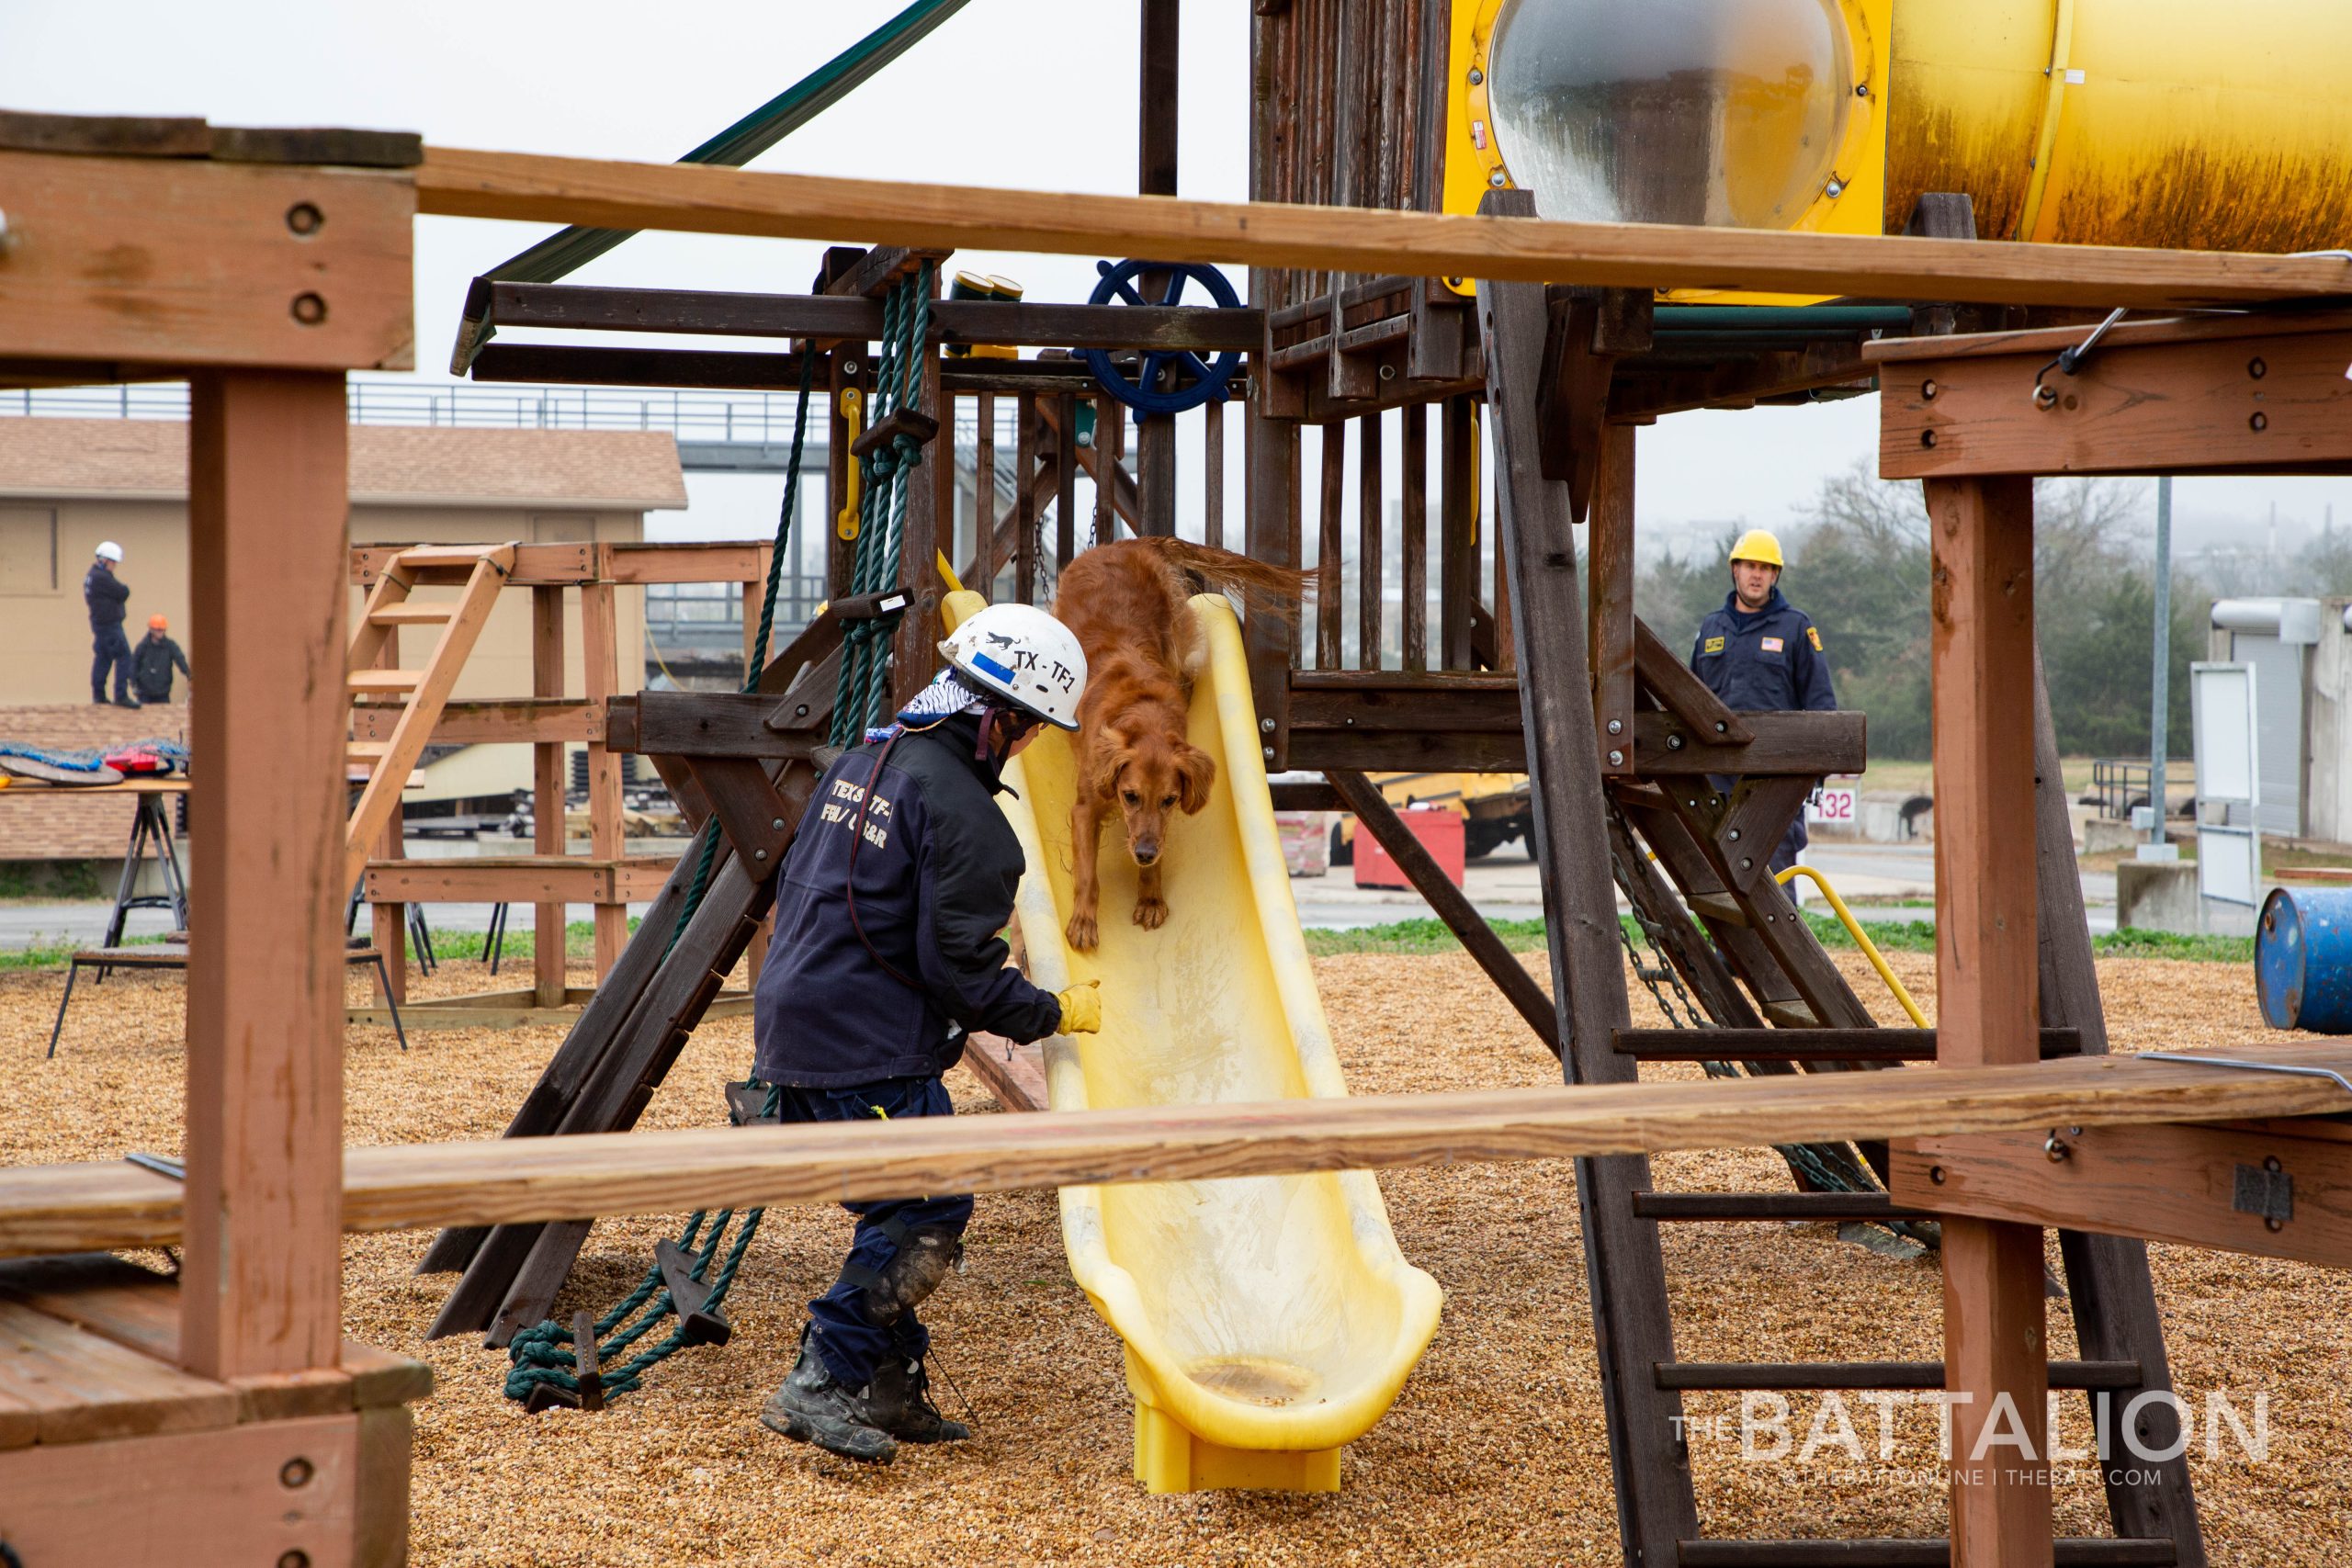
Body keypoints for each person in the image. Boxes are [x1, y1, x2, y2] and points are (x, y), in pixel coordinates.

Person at [753, 602, 1101, 1466]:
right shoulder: (970, 819)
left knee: (901, 1200)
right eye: (1030, 734)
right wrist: (1054, 1011)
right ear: (1002, 722)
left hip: (798, 1021)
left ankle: (885, 1384)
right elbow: (962, 974)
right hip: (864, 1045)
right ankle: (826, 1376)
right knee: (925, 1208)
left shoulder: (861, 762)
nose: (1026, 750)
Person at [1690, 529, 1837, 875]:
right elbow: (1690, 702)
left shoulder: (1796, 628)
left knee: (1775, 886)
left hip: (1776, 784)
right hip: (1717, 783)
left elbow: (1822, 706)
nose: (1757, 574)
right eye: (1750, 565)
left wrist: (1815, 771)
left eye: (1766, 568)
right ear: (1735, 570)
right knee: (1717, 884)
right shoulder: (1711, 628)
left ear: (1775, 576)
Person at [85, 541, 135, 708]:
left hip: (100, 624)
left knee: (104, 657)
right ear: (104, 560)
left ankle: (99, 696)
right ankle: (121, 695)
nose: (114, 566)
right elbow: (123, 591)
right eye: (113, 562)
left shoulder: (92, 576)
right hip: (110, 625)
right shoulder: (101, 578)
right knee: (124, 656)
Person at [131, 615, 192, 705]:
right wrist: (133, 683)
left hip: (163, 693)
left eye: (162, 630)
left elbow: (180, 660)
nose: (160, 632)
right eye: (158, 630)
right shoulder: (142, 647)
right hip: (144, 694)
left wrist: (189, 674)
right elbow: (134, 665)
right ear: (151, 629)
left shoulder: (170, 646)